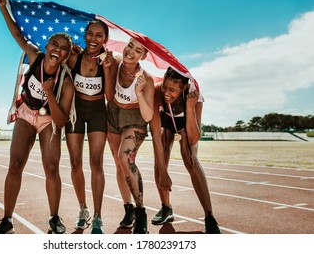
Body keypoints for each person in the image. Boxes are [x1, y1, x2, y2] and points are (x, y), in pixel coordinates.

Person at [0, 0, 75, 234]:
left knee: (51, 168)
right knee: (16, 164)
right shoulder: (34, 56)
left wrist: (50, 93)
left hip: (49, 120)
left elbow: (61, 120)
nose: (57, 50)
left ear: (67, 55)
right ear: (47, 46)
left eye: (63, 49)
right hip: (27, 113)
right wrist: (3, 9)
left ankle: (54, 219)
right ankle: (7, 220)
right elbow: (17, 34)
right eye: (54, 45)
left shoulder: (65, 82)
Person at [107, 38, 169, 234]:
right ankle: (129, 209)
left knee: (125, 158)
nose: (131, 52)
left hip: (135, 117)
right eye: (130, 46)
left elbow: (148, 115)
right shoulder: (115, 62)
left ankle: (141, 211)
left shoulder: (146, 79)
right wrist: (107, 67)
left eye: (137, 50)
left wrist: (139, 92)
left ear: (143, 56)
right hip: (113, 114)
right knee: (118, 163)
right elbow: (109, 96)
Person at [149, 67, 221, 234]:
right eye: (165, 87)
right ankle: (166, 208)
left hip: (186, 124)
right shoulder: (157, 92)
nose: (167, 92)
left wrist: (189, 106)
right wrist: (163, 172)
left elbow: (194, 138)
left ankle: (209, 216)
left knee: (190, 160)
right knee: (160, 161)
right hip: (166, 122)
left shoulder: (195, 97)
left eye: (172, 90)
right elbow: (154, 136)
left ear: (183, 88)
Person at [65, 19, 116, 234]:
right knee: (76, 162)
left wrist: (106, 69)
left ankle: (97, 216)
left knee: (96, 162)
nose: (93, 39)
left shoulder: (110, 62)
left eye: (99, 35)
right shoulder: (74, 57)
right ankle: (83, 209)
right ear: (85, 35)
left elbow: (110, 96)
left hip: (97, 112)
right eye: (90, 34)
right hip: (75, 112)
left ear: (105, 39)